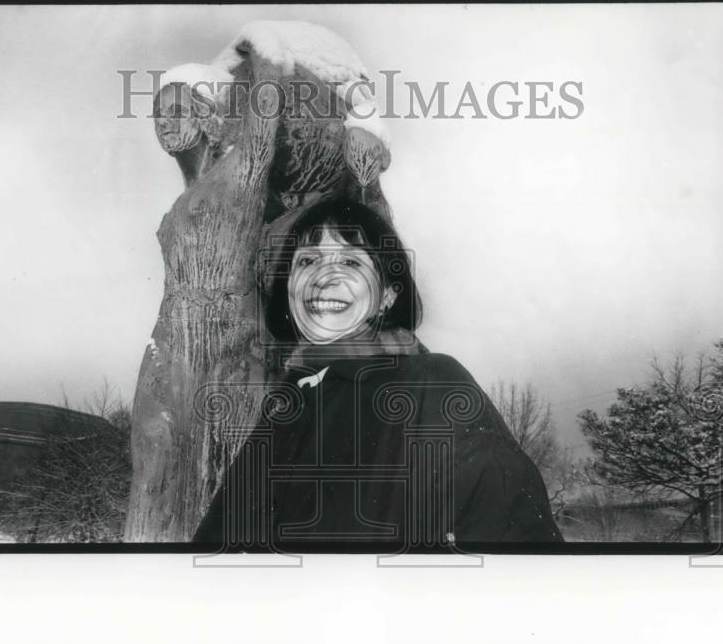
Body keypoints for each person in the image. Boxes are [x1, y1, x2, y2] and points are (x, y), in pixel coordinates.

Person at [192, 197, 563, 552]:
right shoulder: (284, 407)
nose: (323, 278)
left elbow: (511, 540)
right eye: (306, 261)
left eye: (352, 263)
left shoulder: (432, 384)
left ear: (387, 295)